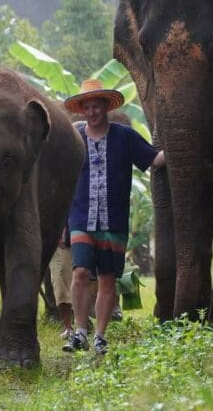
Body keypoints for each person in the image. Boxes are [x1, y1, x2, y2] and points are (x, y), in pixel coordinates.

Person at [62, 79, 165, 354]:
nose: (93, 111)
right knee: (81, 272)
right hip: (81, 217)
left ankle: (99, 336)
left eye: (97, 106)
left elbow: (153, 160)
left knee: (108, 279)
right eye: (88, 107)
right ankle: (80, 332)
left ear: (106, 106)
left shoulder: (124, 136)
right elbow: (56, 172)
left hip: (114, 218)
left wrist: (182, 147)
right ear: (82, 110)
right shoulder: (74, 137)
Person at [50, 225, 74, 339]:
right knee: (60, 286)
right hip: (61, 243)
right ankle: (68, 327)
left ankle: (82, 326)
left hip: (81, 235)